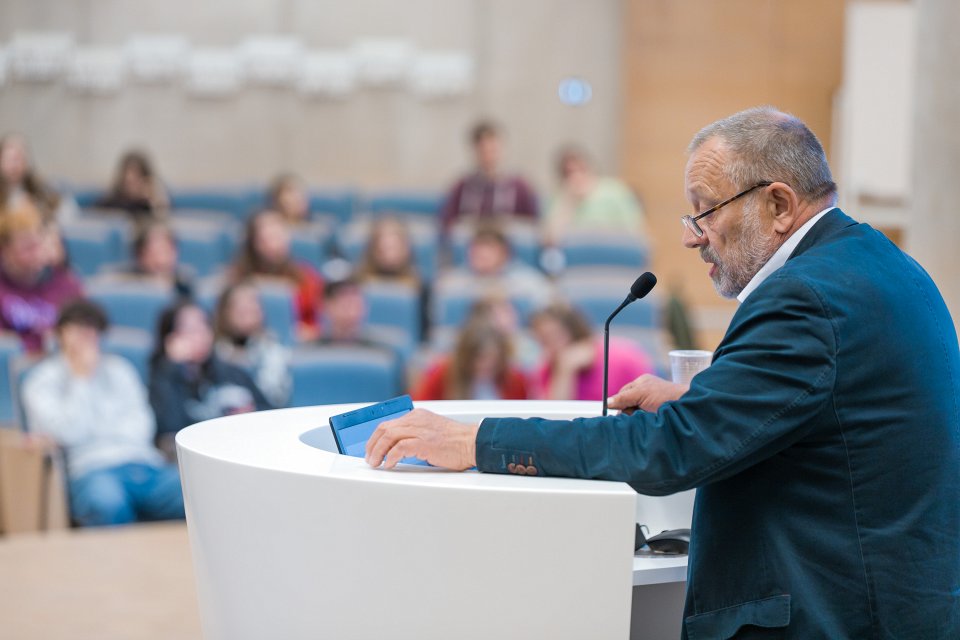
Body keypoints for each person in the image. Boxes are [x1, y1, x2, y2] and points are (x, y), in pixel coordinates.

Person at [365, 107, 960, 638]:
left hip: (835, 613)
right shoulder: (883, 265)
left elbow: (671, 452)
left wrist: (476, 438)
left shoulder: (803, 297)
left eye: (706, 210)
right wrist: (703, 396)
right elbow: (840, 411)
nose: (689, 236)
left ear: (778, 205)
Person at [22, 300, 184, 527]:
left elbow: (142, 426)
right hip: (89, 468)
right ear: (60, 334)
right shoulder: (41, 380)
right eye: (77, 330)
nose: (86, 338)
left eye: (92, 331)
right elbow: (68, 434)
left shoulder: (121, 369)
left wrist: (94, 434)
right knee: (106, 503)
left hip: (141, 462)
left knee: (193, 492)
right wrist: (81, 378)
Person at [149, 300, 271, 457]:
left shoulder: (231, 372)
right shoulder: (163, 378)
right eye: (190, 329)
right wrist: (172, 367)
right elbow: (169, 431)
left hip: (245, 452)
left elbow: (271, 413)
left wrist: (248, 415)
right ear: (170, 338)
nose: (200, 335)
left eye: (204, 326)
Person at [0, 203, 83, 353]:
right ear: (5, 251)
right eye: (27, 247)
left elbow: (81, 335)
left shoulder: (67, 284)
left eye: (39, 244)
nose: (37, 253)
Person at [231, 209, 324, 341]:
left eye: (279, 235)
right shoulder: (237, 280)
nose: (275, 244)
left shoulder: (306, 277)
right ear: (254, 242)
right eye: (268, 237)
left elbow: (319, 324)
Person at [528, 303, 654, 401]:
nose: (550, 348)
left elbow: (648, 401)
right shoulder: (548, 367)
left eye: (554, 336)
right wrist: (565, 371)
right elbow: (554, 418)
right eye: (543, 341)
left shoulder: (624, 356)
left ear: (575, 331)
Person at [439, 120, 539, 233]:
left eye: (493, 150)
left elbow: (533, 225)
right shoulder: (462, 187)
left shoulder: (520, 187)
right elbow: (447, 225)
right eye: (483, 151)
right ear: (475, 151)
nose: (489, 156)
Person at [543, 146, 648, 246]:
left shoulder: (615, 192)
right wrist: (569, 201)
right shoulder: (558, 198)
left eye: (581, 169)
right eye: (569, 173)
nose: (577, 176)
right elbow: (550, 241)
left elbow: (638, 235)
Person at [433, 223, 552, 311]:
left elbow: (546, 308)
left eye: (489, 248)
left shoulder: (529, 281)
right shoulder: (451, 282)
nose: (482, 254)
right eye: (477, 248)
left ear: (505, 253)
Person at [214, 280, 292, 408]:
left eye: (253, 302)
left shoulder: (273, 349)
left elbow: (275, 398)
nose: (248, 308)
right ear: (225, 311)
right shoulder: (211, 351)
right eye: (239, 305)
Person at [411, 318, 527, 401]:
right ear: (466, 356)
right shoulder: (442, 374)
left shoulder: (514, 379)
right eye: (481, 358)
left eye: (494, 358)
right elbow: (420, 408)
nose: (488, 364)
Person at [0, 133, 79, 222]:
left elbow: (66, 209)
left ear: (27, 162)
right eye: (9, 160)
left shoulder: (39, 190)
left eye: (18, 159)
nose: (14, 166)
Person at [117, 221, 194, 297]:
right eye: (155, 253)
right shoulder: (121, 282)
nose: (162, 260)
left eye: (167, 251)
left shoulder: (184, 283)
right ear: (139, 254)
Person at [95, 149, 169, 219]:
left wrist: (156, 199)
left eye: (136, 177)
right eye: (127, 180)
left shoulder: (149, 205)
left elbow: (163, 218)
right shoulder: (112, 202)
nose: (130, 181)